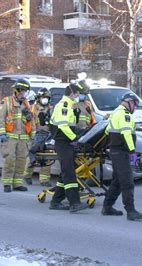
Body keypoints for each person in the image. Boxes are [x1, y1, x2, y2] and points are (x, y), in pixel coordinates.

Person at [102, 93, 142, 221]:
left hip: (116, 151)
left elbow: (106, 132)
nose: (135, 108)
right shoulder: (124, 115)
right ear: (130, 103)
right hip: (121, 152)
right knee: (127, 181)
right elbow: (126, 134)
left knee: (117, 181)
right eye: (135, 105)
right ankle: (131, 211)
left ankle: (107, 207)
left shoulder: (115, 113)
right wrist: (132, 151)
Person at [48, 83, 88, 212]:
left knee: (65, 173)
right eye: (78, 94)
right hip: (63, 143)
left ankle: (55, 202)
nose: (79, 96)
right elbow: (63, 126)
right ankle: (74, 203)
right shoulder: (64, 106)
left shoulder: (70, 106)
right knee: (69, 173)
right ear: (72, 93)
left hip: (66, 143)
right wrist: (75, 139)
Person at [0, 79, 35, 193]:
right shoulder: (7, 102)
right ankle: (7, 183)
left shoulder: (26, 104)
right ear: (18, 91)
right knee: (10, 160)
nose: (25, 94)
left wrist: (32, 134)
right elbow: (0, 119)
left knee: (21, 161)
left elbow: (31, 121)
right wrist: (2, 133)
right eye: (24, 91)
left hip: (23, 139)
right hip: (10, 138)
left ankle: (17, 183)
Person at [23, 88, 53, 187]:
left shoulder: (51, 109)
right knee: (32, 156)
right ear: (39, 98)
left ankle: (44, 179)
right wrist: (33, 135)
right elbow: (29, 122)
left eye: (47, 98)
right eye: (43, 97)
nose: (45, 99)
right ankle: (27, 176)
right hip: (34, 135)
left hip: (48, 135)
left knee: (47, 156)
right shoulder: (33, 108)